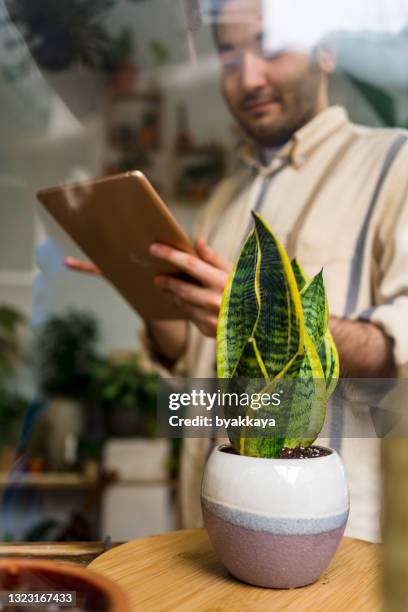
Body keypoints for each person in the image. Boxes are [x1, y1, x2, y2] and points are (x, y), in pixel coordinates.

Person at [67, 0, 408, 542]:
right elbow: (190, 359)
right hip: (203, 533)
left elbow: (400, 351)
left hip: (334, 550)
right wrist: (145, 289)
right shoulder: (224, 198)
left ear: (326, 48)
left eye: (270, 46)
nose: (248, 78)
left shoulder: (395, 165)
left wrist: (281, 319)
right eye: (228, 56)